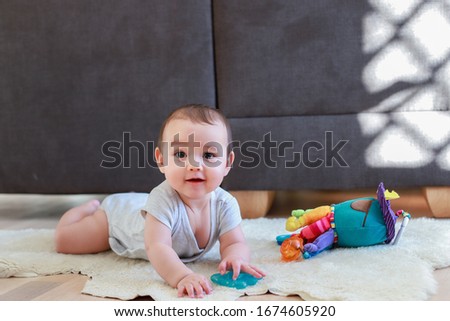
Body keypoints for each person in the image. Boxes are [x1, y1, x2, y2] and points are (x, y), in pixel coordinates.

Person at [54, 104, 265, 298]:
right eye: (181, 153)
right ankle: (82, 211)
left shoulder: (225, 203)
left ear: (227, 163)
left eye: (209, 155)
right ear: (162, 160)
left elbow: (235, 242)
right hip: (117, 221)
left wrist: (236, 258)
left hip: (140, 204)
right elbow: (158, 247)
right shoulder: (162, 200)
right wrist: (182, 276)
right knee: (66, 242)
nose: (194, 164)